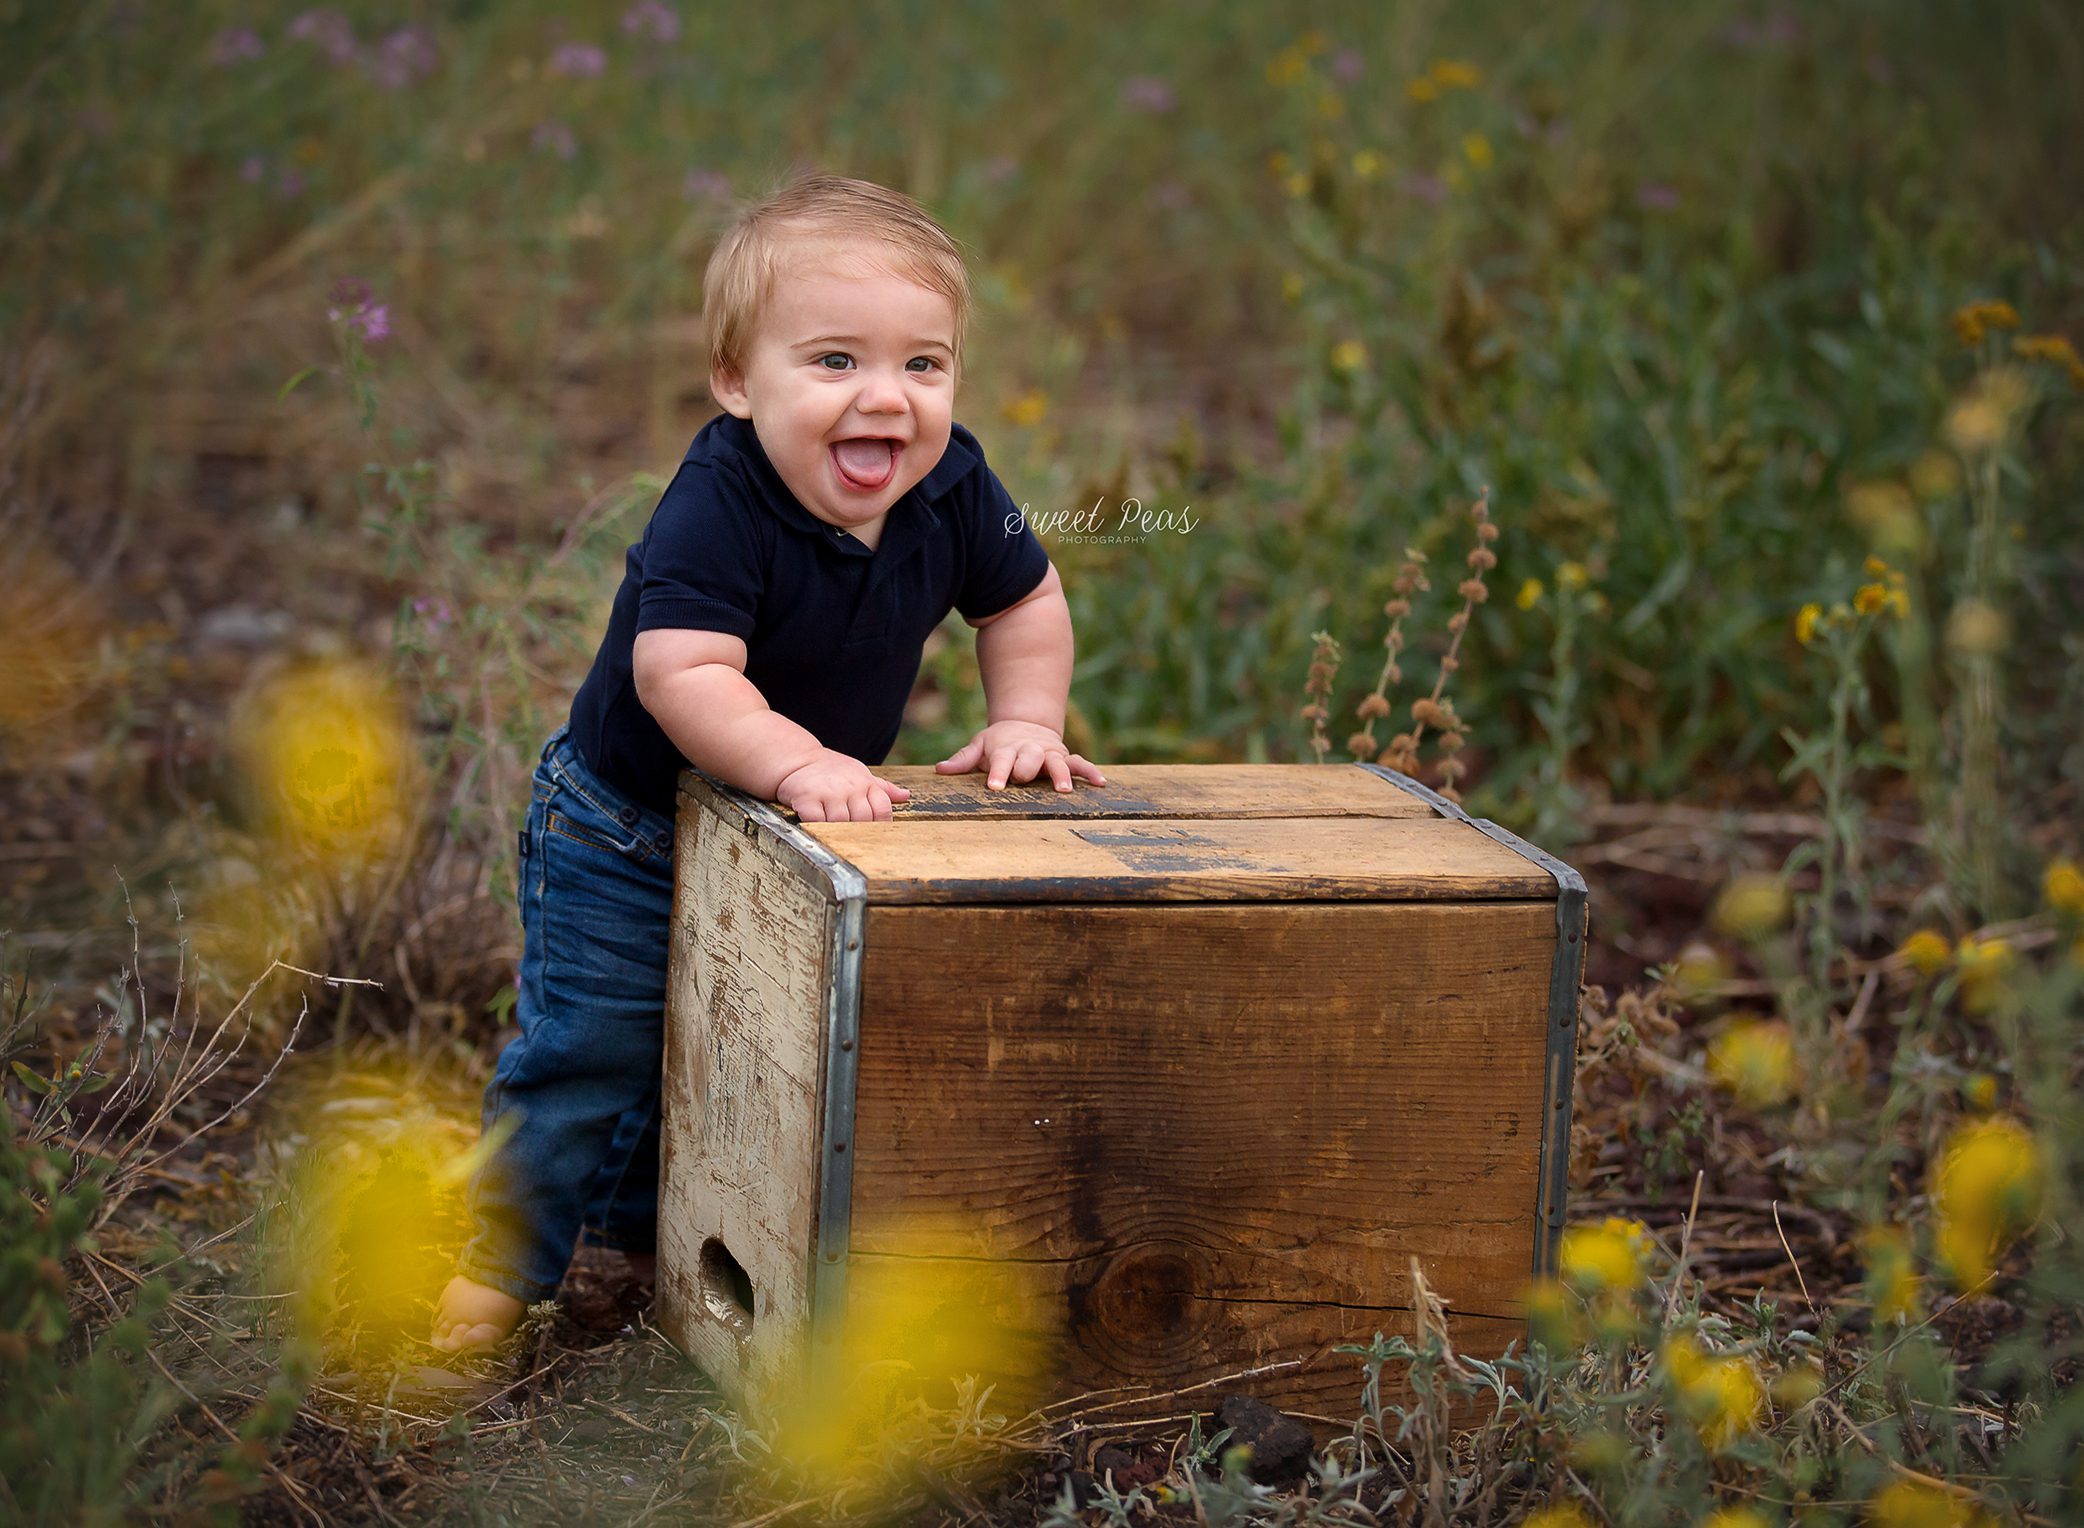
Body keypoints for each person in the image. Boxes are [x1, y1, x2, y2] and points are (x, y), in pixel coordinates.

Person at [431, 172, 1107, 1352]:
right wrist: (796, 763)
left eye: (923, 365)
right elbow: (680, 673)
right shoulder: (719, 495)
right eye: (835, 361)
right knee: (595, 1040)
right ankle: (492, 1270)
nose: (885, 400)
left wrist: (1025, 720)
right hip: (628, 823)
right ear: (738, 382)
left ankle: (643, 1234)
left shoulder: (952, 484)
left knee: (730, 1038)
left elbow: (1028, 600)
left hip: (785, 827)